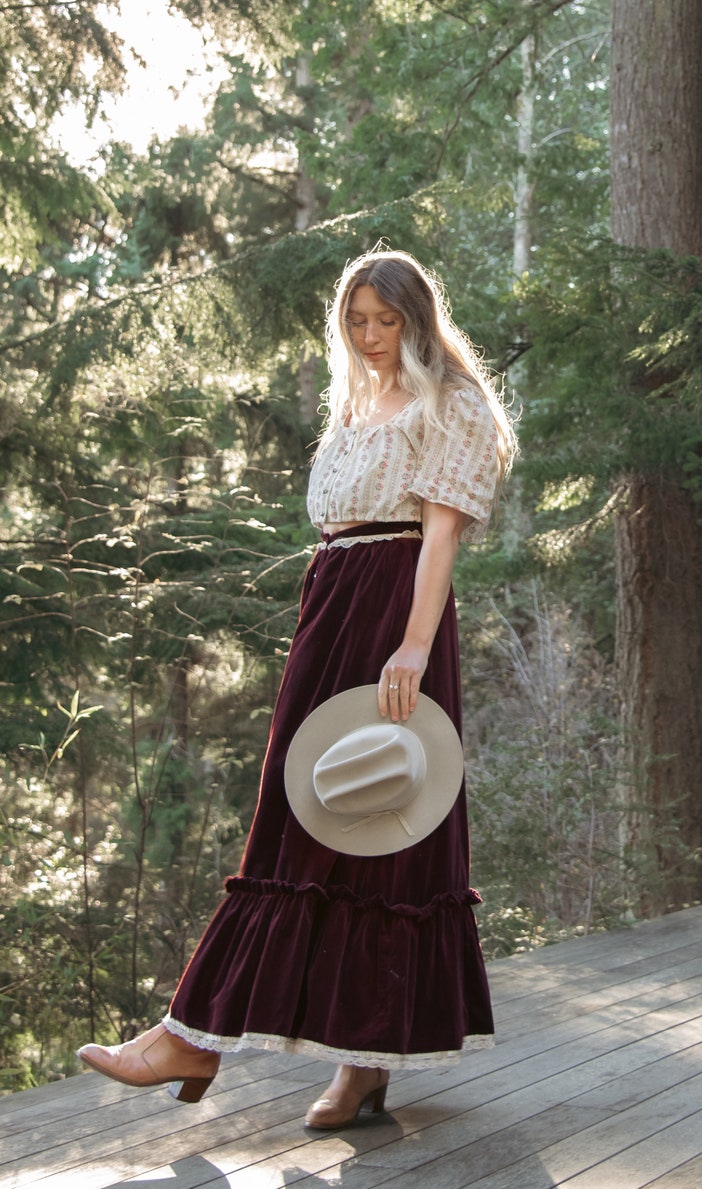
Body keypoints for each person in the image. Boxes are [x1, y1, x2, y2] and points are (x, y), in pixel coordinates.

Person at [78, 247, 517, 1129]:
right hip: (332, 612)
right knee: (297, 819)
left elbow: (437, 541)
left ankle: (303, 1052)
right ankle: (214, 1037)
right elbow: (339, 534)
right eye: (356, 321)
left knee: (379, 818)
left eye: (386, 321)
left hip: (393, 613)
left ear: (418, 321)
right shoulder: (354, 405)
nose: (370, 336)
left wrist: (412, 648)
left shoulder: (451, 405)